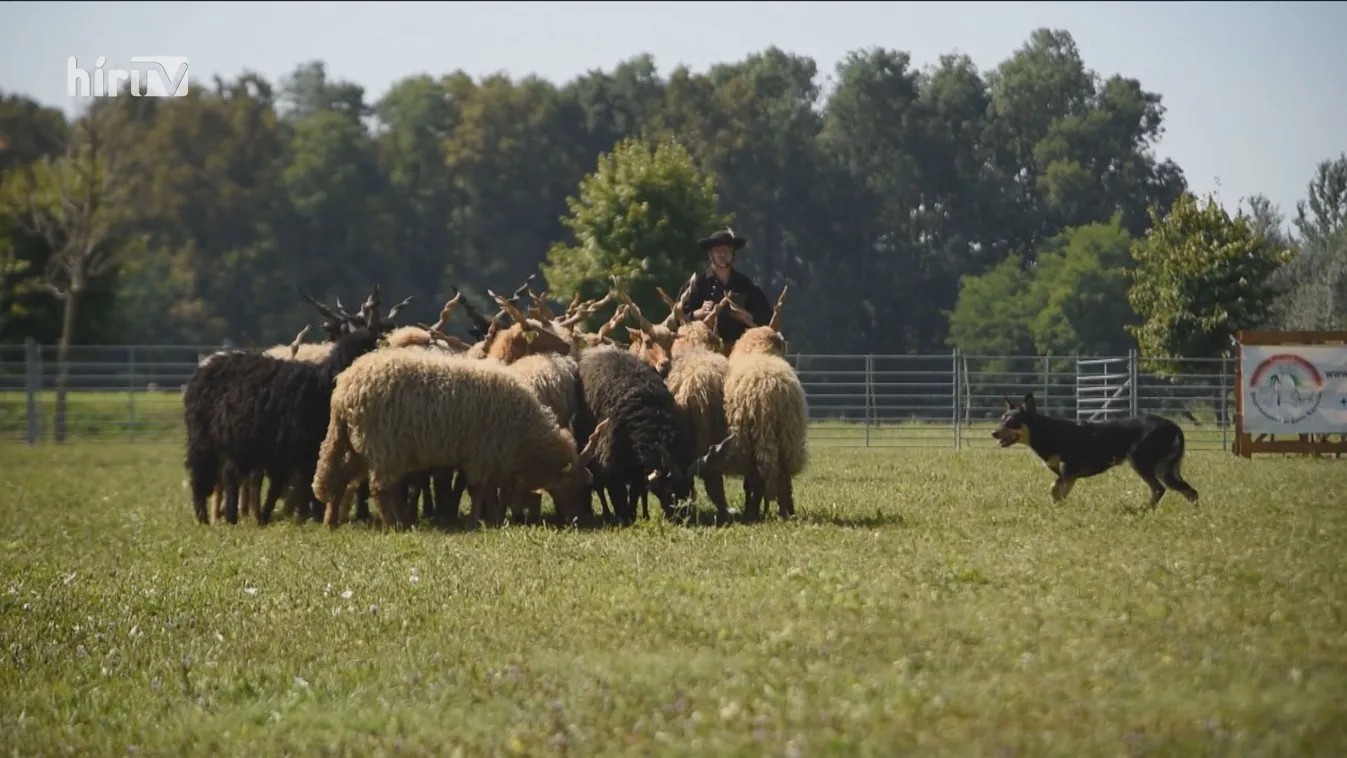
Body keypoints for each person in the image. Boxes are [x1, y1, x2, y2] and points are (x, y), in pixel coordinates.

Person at [682, 227, 773, 349]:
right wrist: (699, 313)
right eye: (718, 251)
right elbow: (678, 317)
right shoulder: (697, 283)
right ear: (710, 255)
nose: (723, 255)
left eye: (727, 251)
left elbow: (766, 316)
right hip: (704, 347)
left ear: (733, 254)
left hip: (741, 348)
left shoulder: (744, 284)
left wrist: (745, 315)